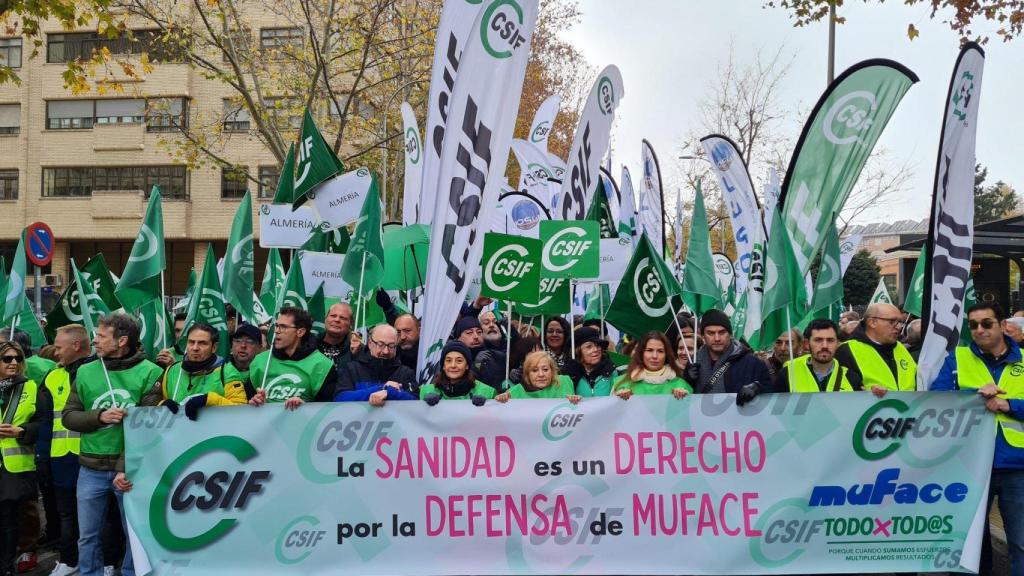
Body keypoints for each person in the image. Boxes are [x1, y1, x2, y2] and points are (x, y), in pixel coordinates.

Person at [62, 313, 165, 576]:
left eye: (101, 336)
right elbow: (69, 417)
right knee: (87, 537)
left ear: (121, 341)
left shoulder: (151, 372)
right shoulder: (85, 370)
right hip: (90, 469)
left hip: (130, 471)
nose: (94, 341)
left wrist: (124, 467)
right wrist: (99, 416)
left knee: (135, 535)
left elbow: (148, 430)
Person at [930, 302, 1024, 576]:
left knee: (1020, 543)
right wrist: (974, 395)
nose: (979, 329)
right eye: (973, 325)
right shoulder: (956, 358)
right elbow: (937, 401)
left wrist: (1010, 406)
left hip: (1016, 468)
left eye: (986, 323)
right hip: (968, 466)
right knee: (967, 545)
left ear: (1002, 325)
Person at [40, 325, 93, 576]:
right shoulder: (51, 377)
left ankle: (104, 562)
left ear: (75, 346)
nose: (55, 352)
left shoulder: (99, 373)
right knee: (67, 515)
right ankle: (69, 560)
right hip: (61, 458)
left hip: (94, 457)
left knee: (100, 517)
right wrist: (43, 458)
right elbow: (45, 422)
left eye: (59, 347)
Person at [0, 341, 47, 576]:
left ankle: (6, 566)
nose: (14, 363)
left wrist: (22, 432)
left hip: (15, 467)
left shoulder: (30, 387)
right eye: (7, 359)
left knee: (9, 518)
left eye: (17, 358)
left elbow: (43, 424)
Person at [142, 323, 248, 420]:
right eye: (191, 342)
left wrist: (209, 400)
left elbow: (240, 410)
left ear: (214, 347)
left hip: (212, 437)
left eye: (202, 343)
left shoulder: (228, 372)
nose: (195, 348)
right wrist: (162, 404)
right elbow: (149, 401)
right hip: (176, 436)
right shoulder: (172, 369)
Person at [248, 307, 337, 411]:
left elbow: (326, 411)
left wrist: (305, 407)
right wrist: (253, 402)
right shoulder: (261, 360)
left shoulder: (322, 365)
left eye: (283, 327)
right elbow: (243, 406)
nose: (277, 331)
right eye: (276, 326)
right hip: (265, 424)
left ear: (300, 332)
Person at [683, 309, 772, 406]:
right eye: (711, 333)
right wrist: (688, 380)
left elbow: (773, 393)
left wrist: (757, 387)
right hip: (702, 418)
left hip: (740, 418)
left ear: (730, 334)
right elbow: (685, 399)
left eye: (722, 332)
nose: (717, 338)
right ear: (703, 336)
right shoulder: (693, 362)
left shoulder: (752, 362)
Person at [835, 302, 916, 396]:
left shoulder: (901, 348)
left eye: (900, 322)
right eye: (892, 321)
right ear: (872, 322)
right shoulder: (846, 351)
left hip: (910, 408)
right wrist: (867, 395)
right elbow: (843, 395)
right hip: (871, 409)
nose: (899, 327)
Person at [335, 324, 416, 405]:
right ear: (370, 343)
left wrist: (390, 392)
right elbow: (340, 398)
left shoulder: (405, 373)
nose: (386, 351)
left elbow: (416, 402)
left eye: (391, 346)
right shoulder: (351, 369)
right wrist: (380, 388)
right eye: (381, 345)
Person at [776, 319, 853, 393]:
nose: (824, 346)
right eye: (818, 340)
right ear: (806, 343)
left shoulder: (851, 377)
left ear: (837, 343)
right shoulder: (788, 374)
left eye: (830, 340)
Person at [612, 332, 691, 399]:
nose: (655, 356)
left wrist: (683, 399)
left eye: (660, 351)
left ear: (666, 354)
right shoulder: (622, 384)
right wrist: (619, 400)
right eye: (649, 350)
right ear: (641, 353)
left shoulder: (680, 385)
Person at [419, 341, 495, 403]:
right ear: (443, 366)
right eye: (448, 361)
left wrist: (486, 407)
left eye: (459, 361)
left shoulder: (487, 392)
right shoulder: (425, 391)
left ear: (467, 366)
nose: (453, 365)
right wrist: (425, 407)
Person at [495, 351, 580, 403]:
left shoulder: (564, 382)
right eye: (535, 370)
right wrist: (501, 399)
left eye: (545, 369)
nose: (541, 374)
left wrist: (576, 401)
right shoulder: (515, 392)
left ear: (552, 371)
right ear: (527, 374)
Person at [565, 327, 616, 397]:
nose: (596, 350)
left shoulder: (611, 371)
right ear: (577, 351)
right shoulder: (568, 374)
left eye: (598, 345)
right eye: (589, 347)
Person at [317, 302, 361, 373]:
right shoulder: (310, 344)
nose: (337, 320)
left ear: (351, 324)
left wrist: (357, 355)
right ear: (326, 319)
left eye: (343, 318)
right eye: (333, 316)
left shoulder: (358, 349)